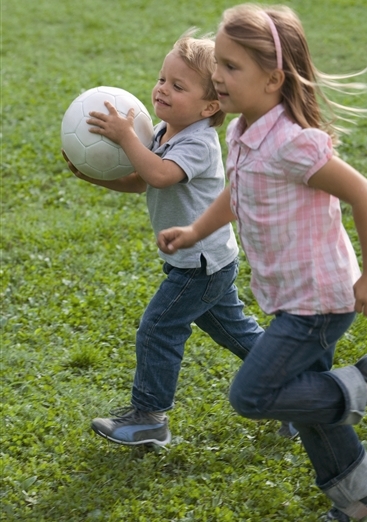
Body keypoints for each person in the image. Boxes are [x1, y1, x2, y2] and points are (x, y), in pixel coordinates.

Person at [157, 5, 367, 521]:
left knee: (255, 394)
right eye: (217, 63)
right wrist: (197, 229)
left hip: (319, 301)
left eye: (231, 67)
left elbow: (364, 193)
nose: (217, 76)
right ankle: (362, 493)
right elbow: (238, 190)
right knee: (304, 401)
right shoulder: (244, 130)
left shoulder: (292, 142)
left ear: (274, 79)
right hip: (294, 297)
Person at [63, 31, 295, 448]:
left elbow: (160, 175)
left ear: (210, 106)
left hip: (201, 265)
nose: (161, 89)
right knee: (237, 334)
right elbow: (140, 183)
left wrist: (124, 137)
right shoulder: (163, 131)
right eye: (161, 79)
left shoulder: (200, 142)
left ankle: (150, 417)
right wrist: (94, 176)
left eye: (178, 85)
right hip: (202, 262)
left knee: (157, 328)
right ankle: (297, 388)